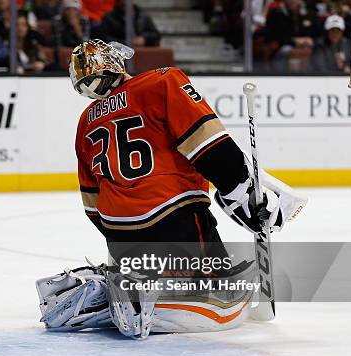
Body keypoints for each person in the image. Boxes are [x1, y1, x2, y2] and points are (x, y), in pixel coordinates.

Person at [34, 40, 307, 339]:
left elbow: (92, 207)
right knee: (228, 305)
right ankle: (138, 299)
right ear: (114, 62)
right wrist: (241, 192)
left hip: (119, 232)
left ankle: (114, 287)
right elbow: (210, 147)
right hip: (174, 217)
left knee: (184, 278)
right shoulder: (162, 81)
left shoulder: (85, 122)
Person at [265, 0, 321, 71]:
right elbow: (273, 37)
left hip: (305, 47)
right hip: (282, 48)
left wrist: (310, 40)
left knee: (316, 51)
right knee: (288, 50)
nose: (294, 1)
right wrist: (294, 41)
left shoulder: (309, 13)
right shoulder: (276, 13)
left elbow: (317, 33)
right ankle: (282, 76)